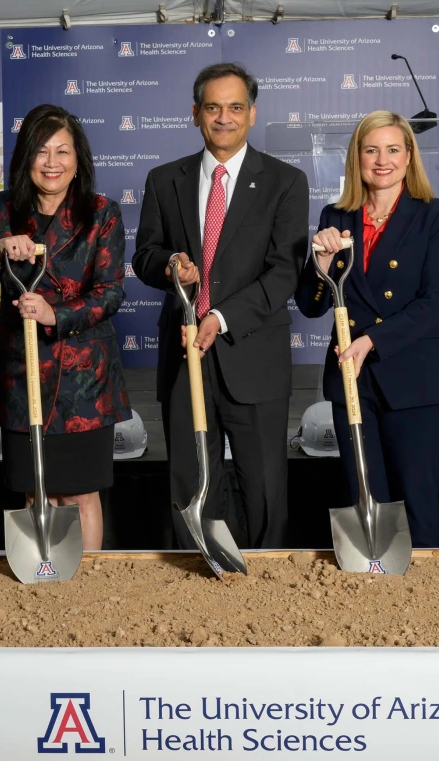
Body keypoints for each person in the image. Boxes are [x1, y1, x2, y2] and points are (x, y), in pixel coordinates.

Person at [133, 62, 308, 550]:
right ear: (196, 114)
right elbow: (144, 254)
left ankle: (269, 584)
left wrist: (220, 316)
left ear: (252, 114)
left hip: (253, 355)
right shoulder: (164, 179)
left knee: (265, 488)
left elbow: (284, 271)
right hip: (185, 356)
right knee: (192, 483)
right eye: (213, 107)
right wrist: (171, 265)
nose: (224, 117)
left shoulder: (285, 181)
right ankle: (199, 577)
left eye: (235, 107)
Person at [0, 104, 131, 551]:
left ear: (78, 160)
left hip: (84, 383)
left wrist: (57, 314)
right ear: (25, 158)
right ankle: (42, 583)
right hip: (22, 375)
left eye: (62, 151)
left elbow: (111, 292)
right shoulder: (2, 208)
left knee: (79, 493)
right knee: (36, 490)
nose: (51, 163)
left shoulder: (102, 213)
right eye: (41, 151)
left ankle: (87, 584)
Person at [294, 111, 439, 548]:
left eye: (392, 149)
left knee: (417, 500)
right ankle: (374, 598)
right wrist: (322, 264)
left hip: (416, 379)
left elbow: (433, 304)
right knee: (365, 496)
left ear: (409, 157)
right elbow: (311, 305)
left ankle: (425, 599)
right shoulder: (336, 215)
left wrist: (372, 340)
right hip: (353, 380)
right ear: (357, 158)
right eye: (371, 150)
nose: (382, 160)